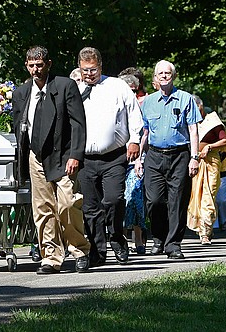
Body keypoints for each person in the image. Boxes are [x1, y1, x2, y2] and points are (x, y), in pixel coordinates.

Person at [12, 45, 91, 274]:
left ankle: (80, 250)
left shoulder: (65, 86)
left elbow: (78, 123)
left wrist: (76, 155)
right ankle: (51, 257)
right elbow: (20, 128)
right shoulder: (21, 93)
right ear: (26, 66)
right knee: (43, 208)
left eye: (39, 65)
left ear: (48, 64)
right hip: (35, 156)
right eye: (31, 65)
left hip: (63, 154)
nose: (35, 70)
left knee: (67, 204)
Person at [77, 47, 143, 266]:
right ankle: (97, 250)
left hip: (114, 155)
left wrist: (134, 139)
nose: (89, 74)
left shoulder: (117, 86)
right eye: (85, 70)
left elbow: (134, 113)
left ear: (101, 66)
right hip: (85, 158)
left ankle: (116, 237)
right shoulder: (74, 90)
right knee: (91, 207)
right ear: (79, 68)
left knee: (114, 199)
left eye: (93, 69)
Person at [134, 60, 201, 259]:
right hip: (154, 156)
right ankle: (158, 238)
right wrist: (139, 159)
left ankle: (173, 245)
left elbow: (193, 130)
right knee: (154, 200)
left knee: (177, 201)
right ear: (155, 78)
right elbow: (144, 133)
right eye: (160, 73)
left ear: (174, 75)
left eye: (167, 73)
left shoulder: (185, 99)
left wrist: (194, 157)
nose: (164, 76)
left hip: (179, 155)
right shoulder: (148, 102)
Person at [187, 95, 226, 243]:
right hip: (195, 162)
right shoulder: (189, 122)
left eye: (196, 106)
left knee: (208, 194)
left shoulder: (212, 121)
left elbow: (224, 140)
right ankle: (202, 229)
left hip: (211, 161)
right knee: (196, 195)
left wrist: (209, 147)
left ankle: (205, 231)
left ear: (201, 106)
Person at [118, 73, 148, 255]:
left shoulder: (140, 108)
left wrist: (138, 160)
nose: (131, 94)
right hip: (115, 160)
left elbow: (143, 134)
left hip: (135, 161)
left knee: (135, 197)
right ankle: (120, 239)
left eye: (134, 91)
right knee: (117, 200)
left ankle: (137, 238)